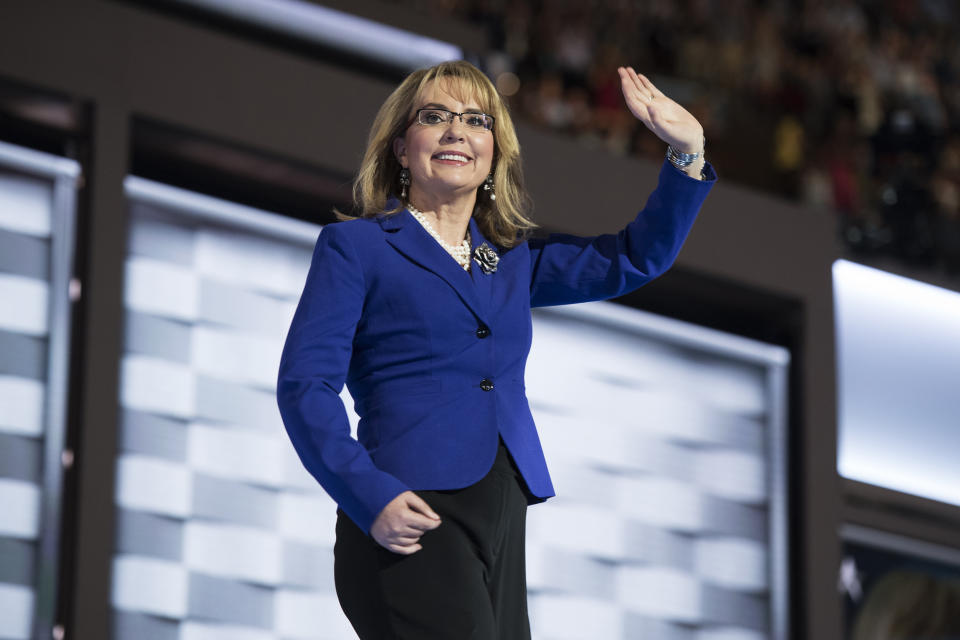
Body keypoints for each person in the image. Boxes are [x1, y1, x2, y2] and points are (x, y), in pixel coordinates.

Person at [276, 60, 715, 639]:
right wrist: (368, 495)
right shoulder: (356, 247)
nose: (457, 130)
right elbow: (305, 386)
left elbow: (633, 258)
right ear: (402, 150)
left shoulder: (512, 259)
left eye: (476, 120)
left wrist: (687, 153)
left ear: (493, 154)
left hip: (503, 514)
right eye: (435, 116)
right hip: (408, 511)